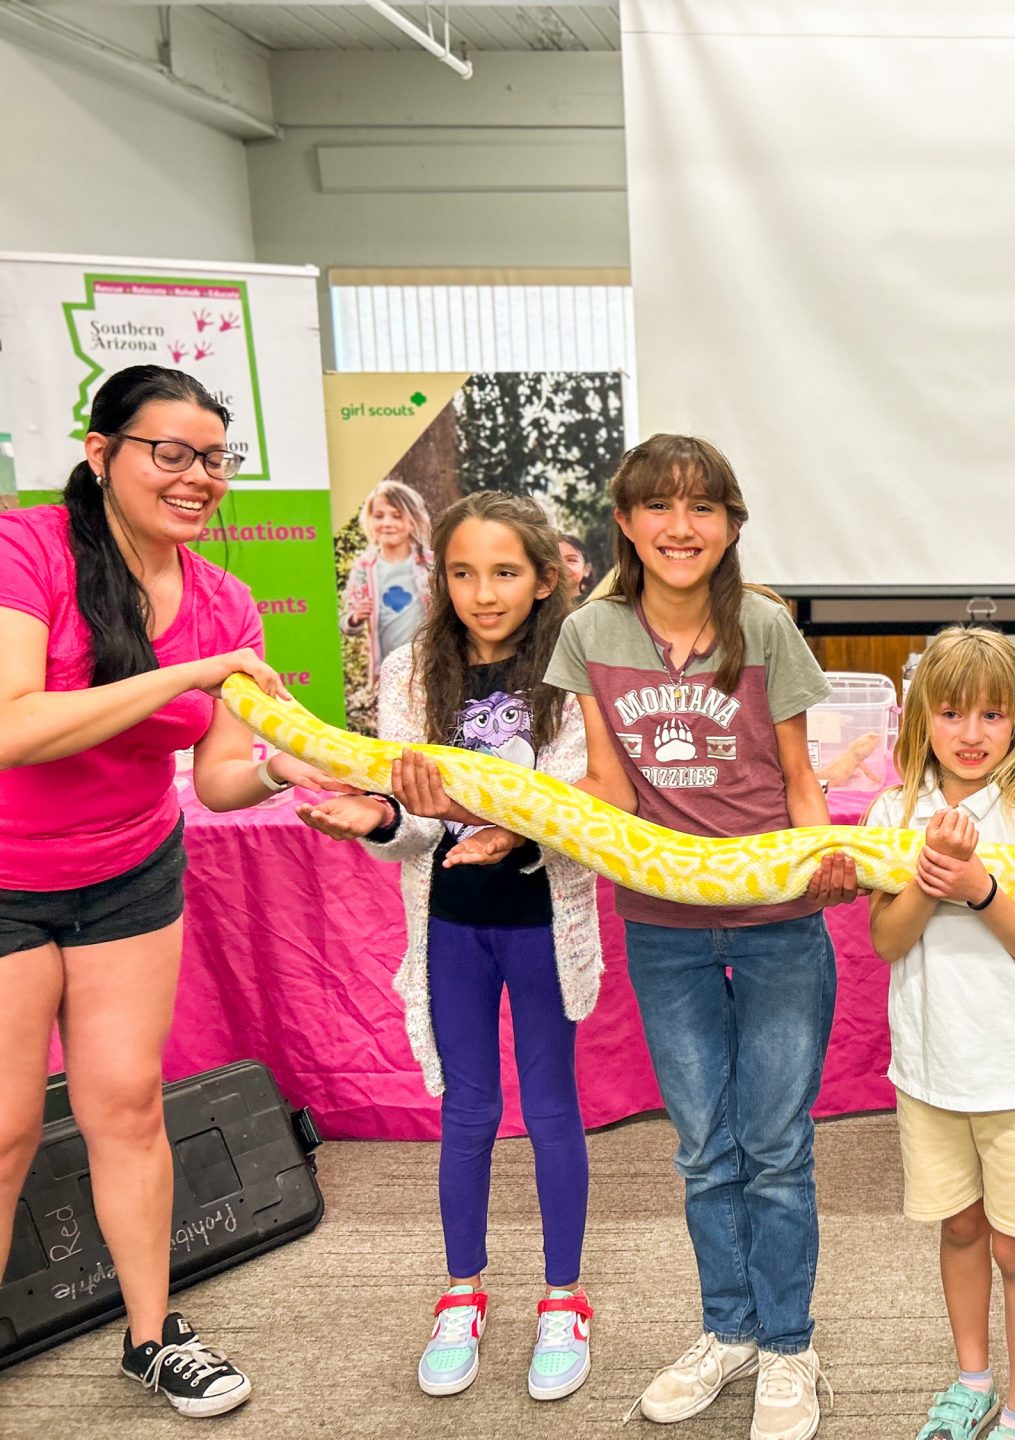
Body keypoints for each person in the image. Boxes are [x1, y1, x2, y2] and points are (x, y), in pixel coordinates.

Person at [0, 365, 346, 1417]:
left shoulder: (227, 601)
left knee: (127, 1105)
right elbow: (12, 725)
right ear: (102, 454)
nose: (199, 478)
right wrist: (188, 676)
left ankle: (151, 1338)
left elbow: (225, 777)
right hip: (8, 875)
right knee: (8, 1125)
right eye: (172, 453)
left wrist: (296, 768)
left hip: (131, 871)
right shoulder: (30, 548)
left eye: (216, 459)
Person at [543, 434, 858, 1440]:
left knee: (773, 1146)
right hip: (663, 923)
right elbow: (602, 782)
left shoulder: (763, 625)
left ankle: (789, 1346)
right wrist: (505, 820)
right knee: (700, 1151)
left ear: (730, 525)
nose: (683, 527)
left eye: (704, 509)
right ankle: (728, 1330)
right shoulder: (591, 632)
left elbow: (801, 777)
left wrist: (823, 863)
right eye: (660, 507)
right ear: (626, 522)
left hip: (777, 922)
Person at [295, 491, 601, 1402]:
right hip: (452, 927)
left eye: (505, 572)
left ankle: (563, 1298)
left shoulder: (574, 674)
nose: (483, 592)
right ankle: (462, 1290)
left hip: (544, 921)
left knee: (550, 1110)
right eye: (463, 573)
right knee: (466, 1114)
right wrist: (380, 817)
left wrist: (512, 824)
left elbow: (582, 809)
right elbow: (416, 824)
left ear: (545, 578)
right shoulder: (409, 676)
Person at [867, 626, 1015, 1440]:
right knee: (960, 1229)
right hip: (929, 1071)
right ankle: (973, 1382)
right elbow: (889, 942)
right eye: (952, 713)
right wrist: (930, 879)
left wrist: (981, 886)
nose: (970, 734)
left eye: (992, 715)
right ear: (923, 717)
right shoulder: (893, 811)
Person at [342, 478, 434, 676]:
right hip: (387, 670)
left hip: (430, 663)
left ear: (412, 520)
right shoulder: (363, 568)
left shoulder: (430, 563)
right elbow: (346, 622)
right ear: (369, 520)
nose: (387, 523)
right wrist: (355, 617)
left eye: (397, 516)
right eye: (379, 516)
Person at [558, 532, 595, 600]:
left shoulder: (592, 604)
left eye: (571, 560)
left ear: (586, 569)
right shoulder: (537, 607)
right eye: (555, 560)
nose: (562, 566)